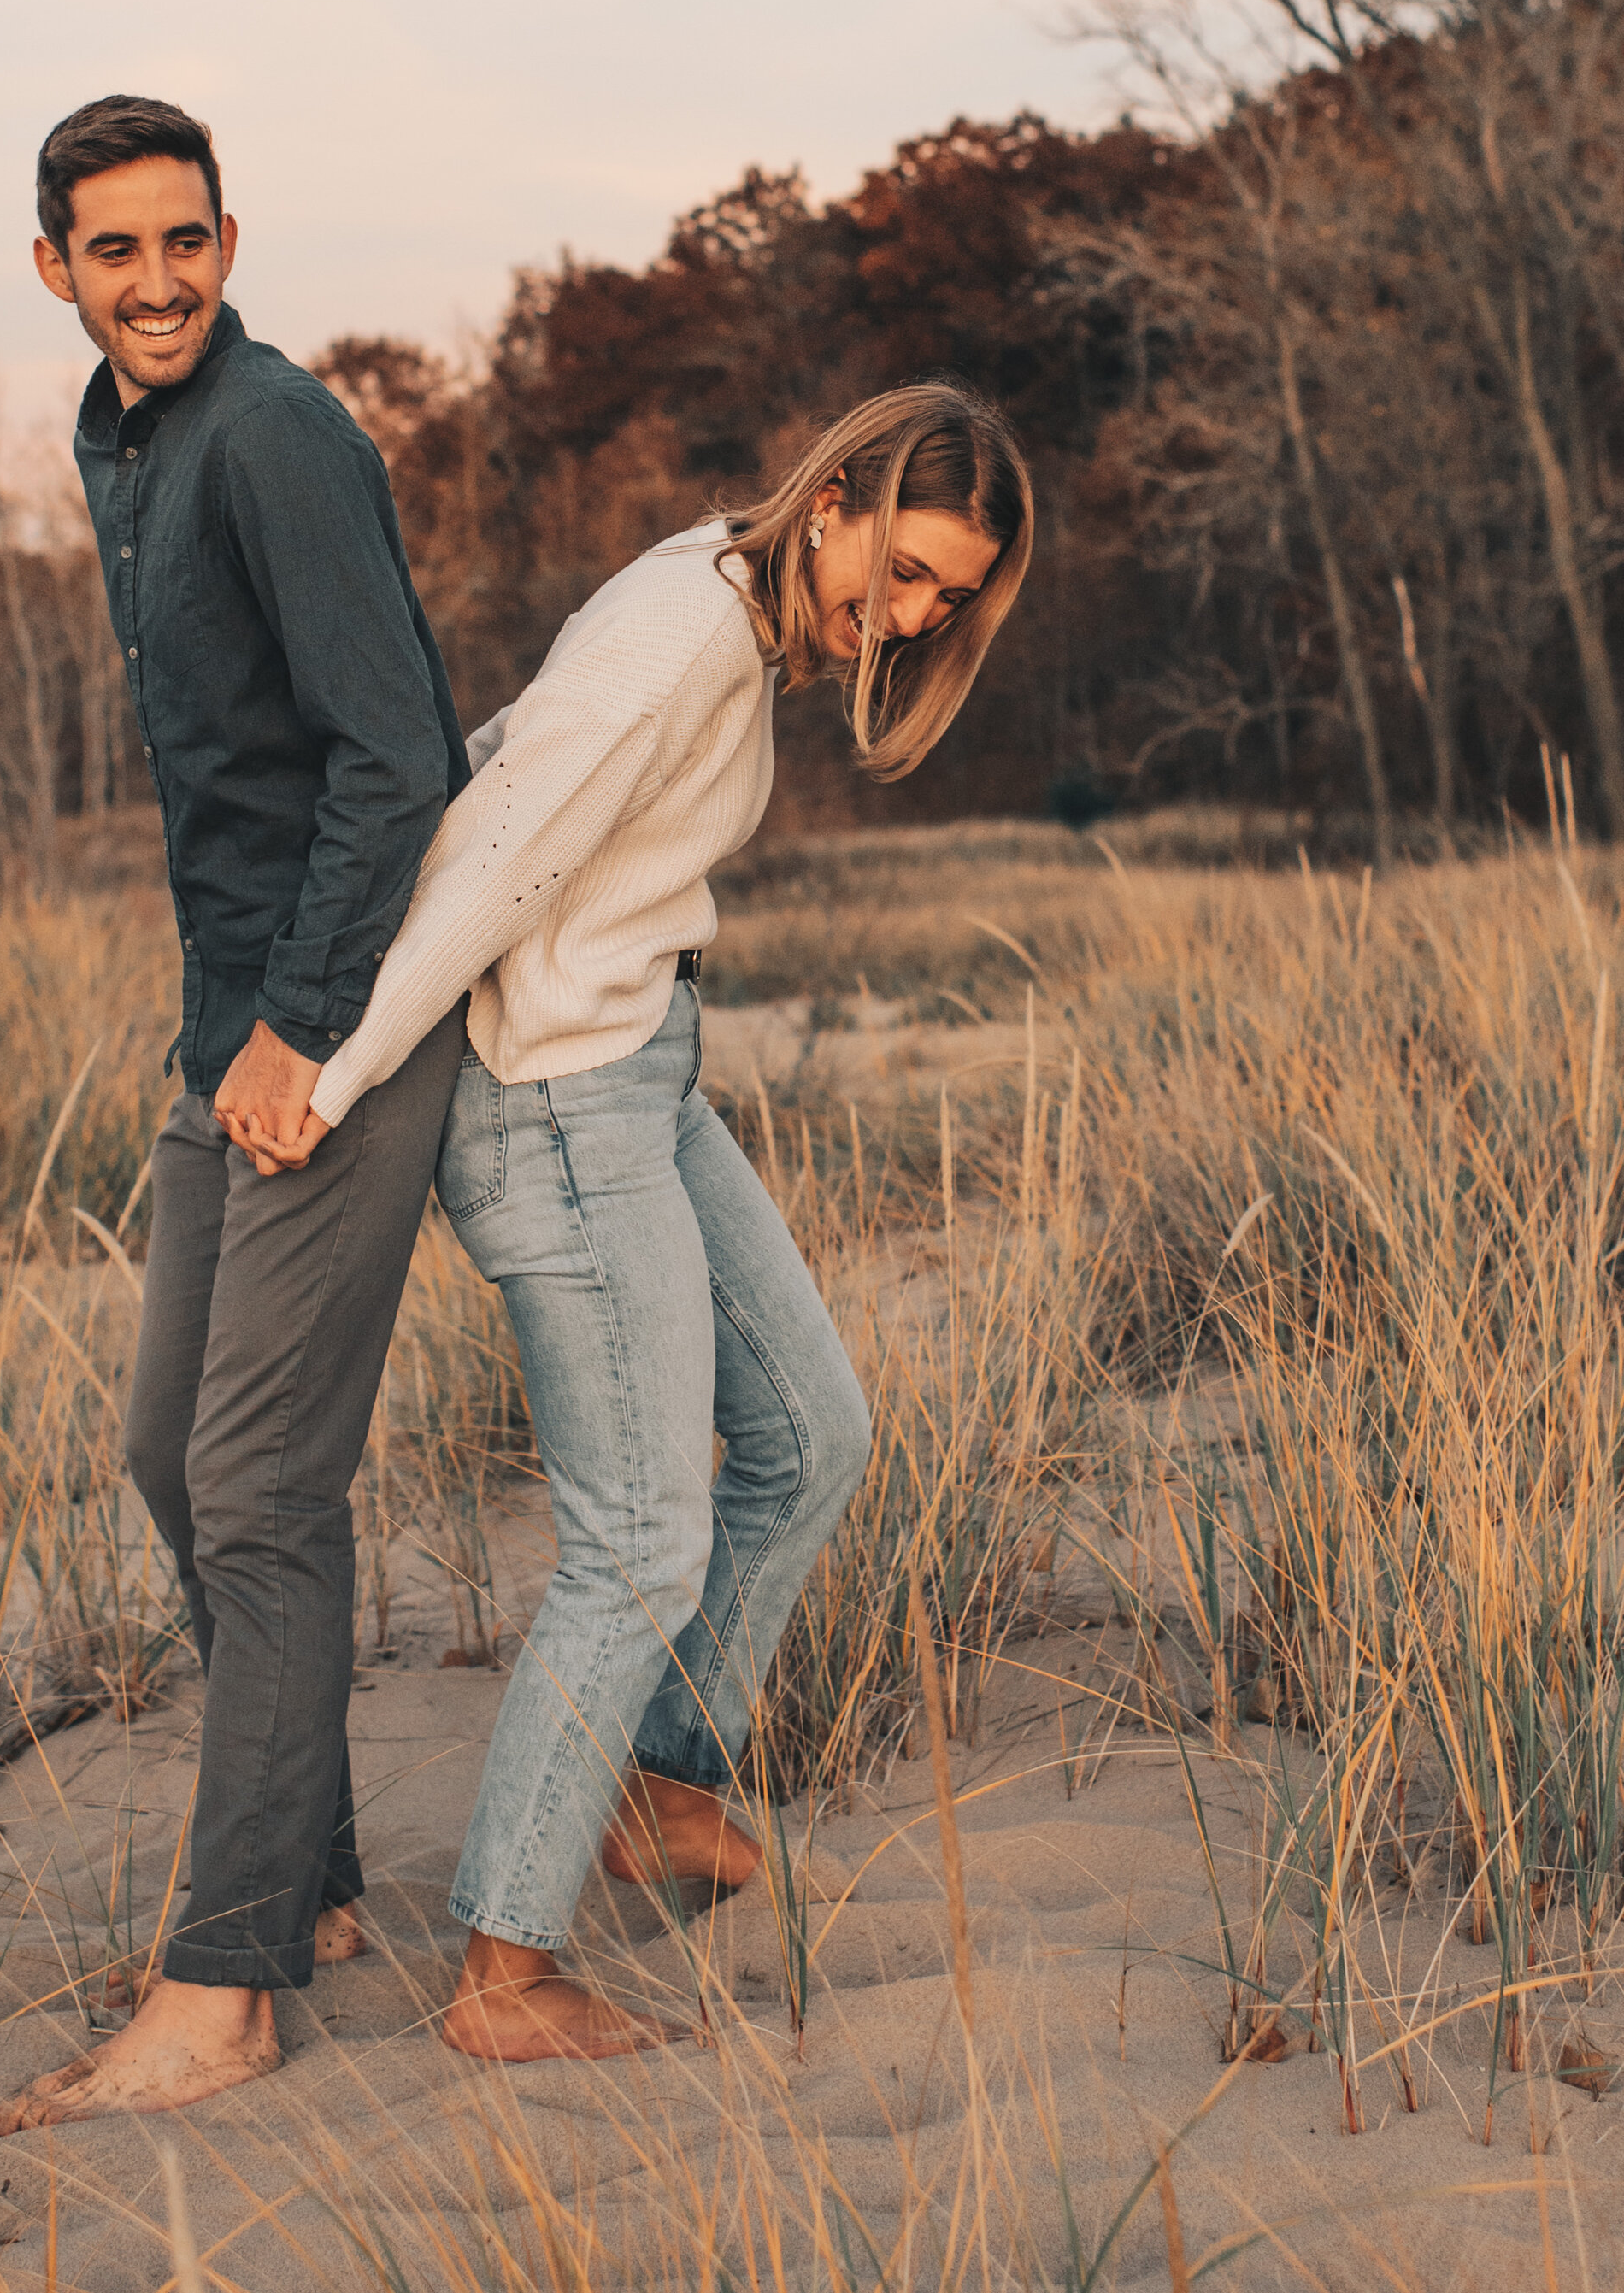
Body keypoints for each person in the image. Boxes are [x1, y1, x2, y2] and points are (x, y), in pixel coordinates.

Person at [276, 381, 1033, 2059]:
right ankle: (503, 1963)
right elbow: (493, 853)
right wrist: (330, 1079)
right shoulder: (681, 631)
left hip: (637, 1068)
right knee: (636, 1534)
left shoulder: (737, 611)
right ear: (833, 493)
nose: (904, 616)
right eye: (901, 567)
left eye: (942, 597)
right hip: (549, 1103)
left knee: (811, 1436)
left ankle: (661, 1784)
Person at [0, 95, 470, 2131]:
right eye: (117, 251)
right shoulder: (124, 438)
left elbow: (396, 754)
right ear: (56, 271)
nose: (159, 279)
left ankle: (227, 1979)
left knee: (258, 1483)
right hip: (233, 1027)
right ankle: (317, 1878)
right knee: (170, 1447)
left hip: (332, 1025)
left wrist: (294, 1026)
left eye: (186, 240)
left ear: (228, 234)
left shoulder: (269, 428)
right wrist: (226, 1032)